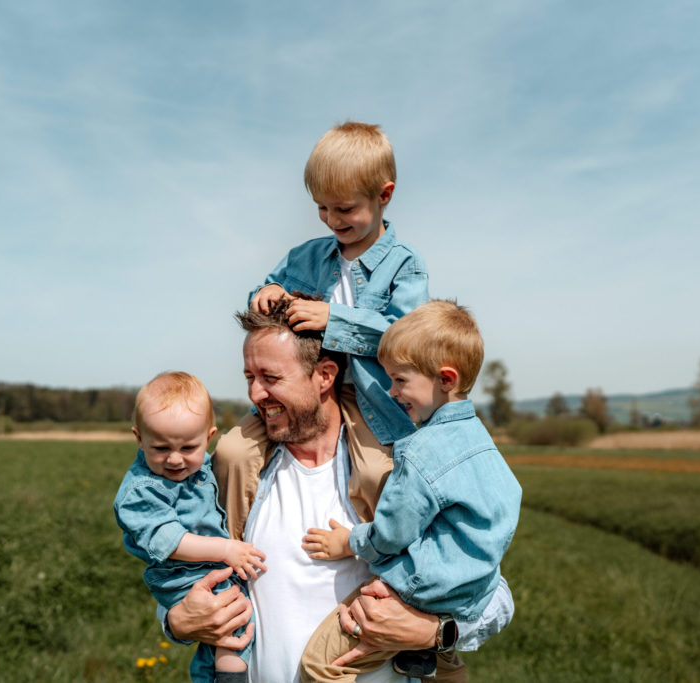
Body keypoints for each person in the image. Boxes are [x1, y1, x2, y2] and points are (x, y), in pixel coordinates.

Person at [158, 302, 515, 682]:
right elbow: (179, 566)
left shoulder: (397, 471)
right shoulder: (233, 473)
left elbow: (495, 593)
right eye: (249, 377)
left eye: (271, 377)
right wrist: (177, 620)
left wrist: (434, 632)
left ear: (325, 375)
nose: (255, 394)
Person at [214, 121, 430, 542]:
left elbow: (407, 342)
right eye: (321, 208)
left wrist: (334, 319)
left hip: (372, 402)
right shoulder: (307, 256)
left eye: (344, 209)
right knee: (232, 451)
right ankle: (230, 551)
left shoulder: (405, 265)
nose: (332, 220)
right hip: (303, 390)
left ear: (383, 195)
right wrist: (267, 291)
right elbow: (267, 287)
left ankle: (379, 560)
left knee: (375, 472)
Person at [300, 301, 522, 682]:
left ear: (446, 379)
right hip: (472, 592)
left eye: (400, 380)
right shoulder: (481, 441)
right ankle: (427, 657)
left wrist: (348, 541)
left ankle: (417, 649)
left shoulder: (421, 450)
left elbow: (391, 533)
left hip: (420, 590)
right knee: (442, 668)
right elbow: (509, 501)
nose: (392, 391)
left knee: (319, 666)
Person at [114, 372, 267, 683]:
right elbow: (172, 542)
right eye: (160, 448)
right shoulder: (141, 491)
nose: (174, 459)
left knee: (224, 627)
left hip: (203, 564)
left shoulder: (203, 464)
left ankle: (209, 674)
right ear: (139, 438)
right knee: (231, 618)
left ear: (208, 438)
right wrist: (226, 549)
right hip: (180, 572)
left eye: (187, 448)